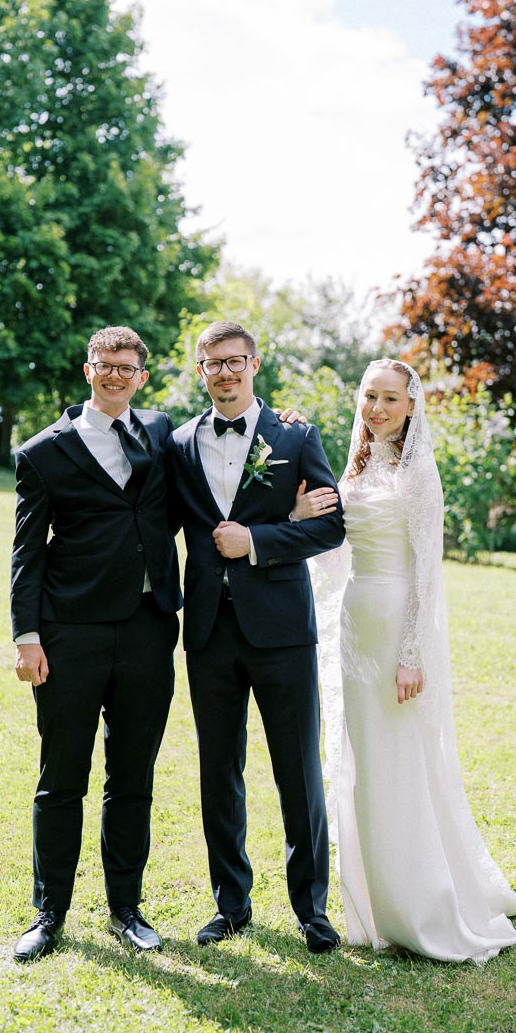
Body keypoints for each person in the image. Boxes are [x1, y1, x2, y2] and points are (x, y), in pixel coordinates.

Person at [298, 359, 516, 963]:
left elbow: (427, 569)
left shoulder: (419, 471)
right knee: (361, 756)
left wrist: (411, 654)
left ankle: (419, 901)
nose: (375, 409)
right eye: (369, 396)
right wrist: (300, 520)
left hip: (398, 622)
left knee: (399, 760)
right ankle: (370, 897)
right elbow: (334, 552)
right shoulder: (356, 466)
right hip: (355, 622)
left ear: (410, 406)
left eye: (389, 399)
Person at [166, 321, 346, 953]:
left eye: (235, 361)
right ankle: (231, 905)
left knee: (298, 771)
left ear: (254, 364)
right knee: (219, 771)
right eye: (213, 363)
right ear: (199, 371)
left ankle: (312, 909)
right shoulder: (179, 441)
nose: (225, 372)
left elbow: (331, 528)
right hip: (209, 632)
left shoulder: (294, 436)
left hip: (283, 633)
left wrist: (261, 541)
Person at [10, 326, 181, 962]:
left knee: (132, 776)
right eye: (104, 365)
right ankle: (48, 914)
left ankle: (126, 910)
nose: (115, 375)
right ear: (88, 370)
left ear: (141, 375)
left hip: (147, 629)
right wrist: (26, 635)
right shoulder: (43, 452)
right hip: (70, 633)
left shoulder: (161, 432)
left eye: (127, 367)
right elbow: (26, 552)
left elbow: (227, 448)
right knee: (62, 779)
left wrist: (283, 422)